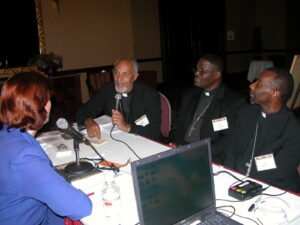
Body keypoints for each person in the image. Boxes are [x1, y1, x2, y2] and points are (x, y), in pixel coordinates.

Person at [0, 72, 92, 225]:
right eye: (48, 99)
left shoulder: (7, 135)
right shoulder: (24, 158)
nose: (50, 103)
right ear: (37, 106)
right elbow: (81, 207)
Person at [224, 67, 300, 192]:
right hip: (234, 180)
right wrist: (231, 175)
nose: (251, 86)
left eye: (258, 84)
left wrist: (244, 181)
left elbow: (279, 172)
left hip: (272, 190)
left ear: (275, 93)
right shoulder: (245, 113)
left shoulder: (293, 129)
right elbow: (230, 150)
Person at [168, 54, 246, 164]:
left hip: (207, 156)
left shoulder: (232, 102)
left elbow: (227, 141)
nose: (196, 73)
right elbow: (178, 124)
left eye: (202, 71)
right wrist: (175, 143)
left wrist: (197, 151)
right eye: (196, 69)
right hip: (181, 151)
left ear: (216, 75)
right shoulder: (189, 94)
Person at [76, 57, 161, 141]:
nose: (119, 79)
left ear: (135, 77)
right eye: (116, 73)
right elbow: (84, 110)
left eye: (125, 74)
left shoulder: (149, 95)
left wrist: (126, 127)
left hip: (142, 144)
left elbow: (154, 132)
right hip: (115, 141)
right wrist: (88, 121)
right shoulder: (108, 90)